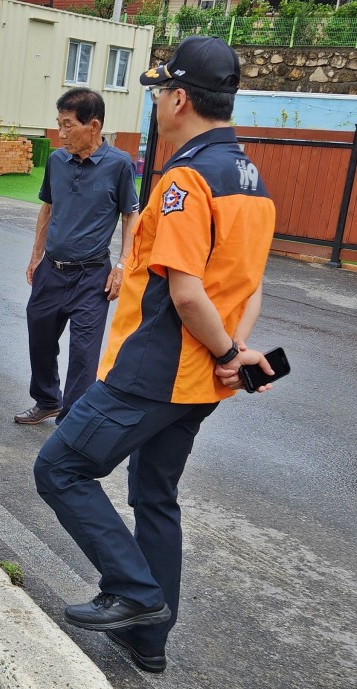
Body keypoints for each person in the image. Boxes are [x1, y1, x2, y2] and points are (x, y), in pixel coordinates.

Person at [33, 36, 277, 674]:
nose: (156, 105)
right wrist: (234, 354)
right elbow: (247, 284)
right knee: (155, 495)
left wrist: (224, 347)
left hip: (155, 370)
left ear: (178, 98)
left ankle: (137, 596)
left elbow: (187, 290)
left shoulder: (186, 178)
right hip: (204, 379)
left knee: (60, 469)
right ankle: (149, 641)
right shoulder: (252, 177)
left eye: (158, 93)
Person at [15, 88, 139, 426]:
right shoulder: (57, 160)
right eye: (59, 124)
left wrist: (123, 265)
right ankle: (47, 399)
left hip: (92, 275)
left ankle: (71, 421)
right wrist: (35, 255)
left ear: (93, 125)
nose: (61, 133)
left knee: (84, 354)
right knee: (39, 336)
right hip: (52, 270)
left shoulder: (119, 165)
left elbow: (131, 215)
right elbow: (48, 208)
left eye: (68, 125)